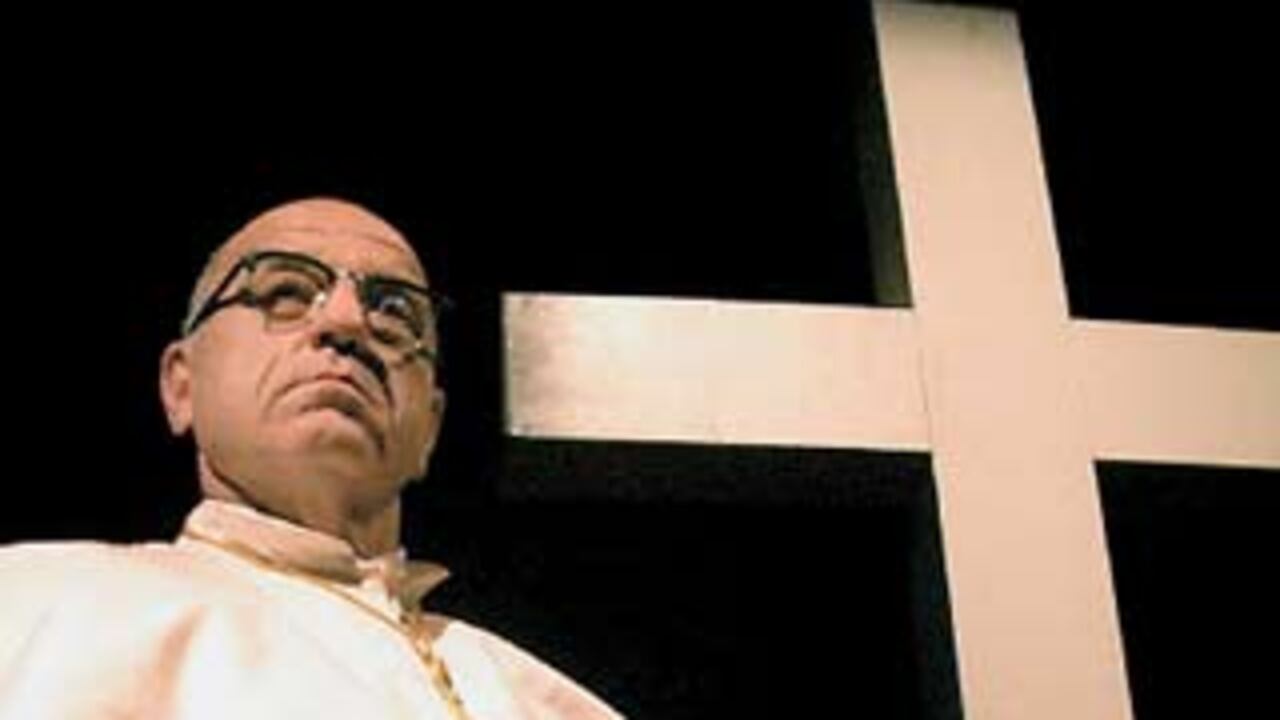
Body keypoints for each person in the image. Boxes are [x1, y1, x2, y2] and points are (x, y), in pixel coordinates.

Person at [0, 197, 622, 719]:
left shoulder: (543, 697)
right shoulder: (38, 600)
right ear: (182, 385)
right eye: (285, 291)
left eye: (395, 312)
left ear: (431, 428)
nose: (347, 323)